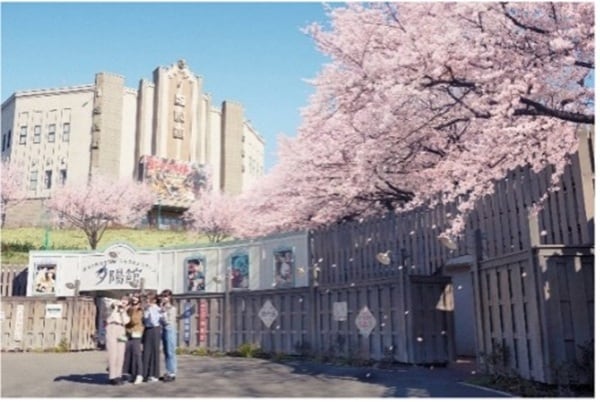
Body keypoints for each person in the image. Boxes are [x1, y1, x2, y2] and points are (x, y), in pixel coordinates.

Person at [105, 296, 130, 385]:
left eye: (126, 301)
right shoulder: (113, 306)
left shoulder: (125, 311)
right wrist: (116, 306)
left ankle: (118, 375)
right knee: (112, 353)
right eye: (123, 300)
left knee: (121, 353)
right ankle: (112, 376)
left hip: (122, 329)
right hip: (112, 327)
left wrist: (123, 311)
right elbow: (108, 308)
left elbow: (126, 321)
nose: (124, 302)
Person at [122, 293, 144, 384]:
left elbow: (134, 320)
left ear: (139, 299)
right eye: (133, 297)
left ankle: (139, 374)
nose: (134, 299)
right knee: (128, 354)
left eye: (136, 298)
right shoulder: (129, 308)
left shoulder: (139, 309)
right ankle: (130, 374)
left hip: (136, 333)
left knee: (136, 354)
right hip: (128, 333)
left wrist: (126, 314)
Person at [141, 292, 162, 382]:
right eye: (147, 299)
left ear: (154, 300)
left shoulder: (157, 309)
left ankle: (154, 374)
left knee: (154, 351)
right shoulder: (147, 308)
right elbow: (144, 319)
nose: (147, 301)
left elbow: (154, 321)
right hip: (147, 329)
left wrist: (149, 310)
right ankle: (144, 373)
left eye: (149, 299)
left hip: (155, 329)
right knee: (146, 351)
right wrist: (146, 310)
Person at [159, 289, 177, 382]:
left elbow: (168, 321)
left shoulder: (172, 308)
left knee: (170, 352)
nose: (164, 298)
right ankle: (168, 371)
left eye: (165, 296)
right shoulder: (162, 307)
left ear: (170, 297)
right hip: (163, 330)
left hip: (170, 329)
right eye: (162, 296)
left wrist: (163, 313)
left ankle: (172, 373)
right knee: (166, 352)